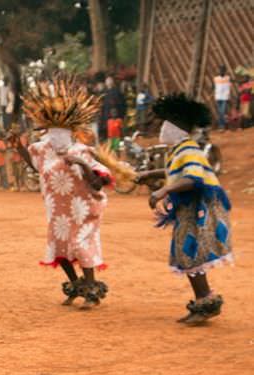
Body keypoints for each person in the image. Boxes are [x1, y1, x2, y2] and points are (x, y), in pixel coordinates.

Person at [15, 76, 113, 309]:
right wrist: (19, 147)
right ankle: (77, 285)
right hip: (57, 211)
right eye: (52, 134)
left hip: (83, 210)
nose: (56, 139)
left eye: (61, 135)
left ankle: (91, 292)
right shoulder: (43, 149)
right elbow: (36, 166)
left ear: (70, 133)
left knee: (80, 246)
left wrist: (81, 163)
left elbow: (98, 182)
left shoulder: (82, 150)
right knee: (59, 248)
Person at [137, 93, 232, 325]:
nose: (161, 130)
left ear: (176, 128)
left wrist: (162, 191)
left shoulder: (188, 150)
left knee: (191, 256)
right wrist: (151, 175)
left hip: (199, 212)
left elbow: (192, 179)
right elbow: (175, 174)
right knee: (188, 256)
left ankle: (205, 303)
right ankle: (204, 302)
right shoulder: (180, 150)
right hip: (189, 211)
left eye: (164, 126)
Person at [99, 76, 126, 142]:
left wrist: (120, 113)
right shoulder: (105, 92)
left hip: (114, 114)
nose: (108, 83)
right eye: (107, 81)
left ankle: (116, 142)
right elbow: (102, 103)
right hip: (106, 113)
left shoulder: (116, 91)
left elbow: (121, 103)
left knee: (115, 129)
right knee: (108, 129)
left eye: (109, 81)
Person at [214, 65, 232, 130]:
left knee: (222, 111)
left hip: (225, 97)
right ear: (219, 71)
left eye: (223, 70)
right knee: (220, 112)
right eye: (220, 70)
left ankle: (222, 125)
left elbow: (230, 86)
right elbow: (213, 87)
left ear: (225, 71)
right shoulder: (216, 78)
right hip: (218, 97)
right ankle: (222, 125)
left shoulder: (228, 78)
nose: (221, 71)